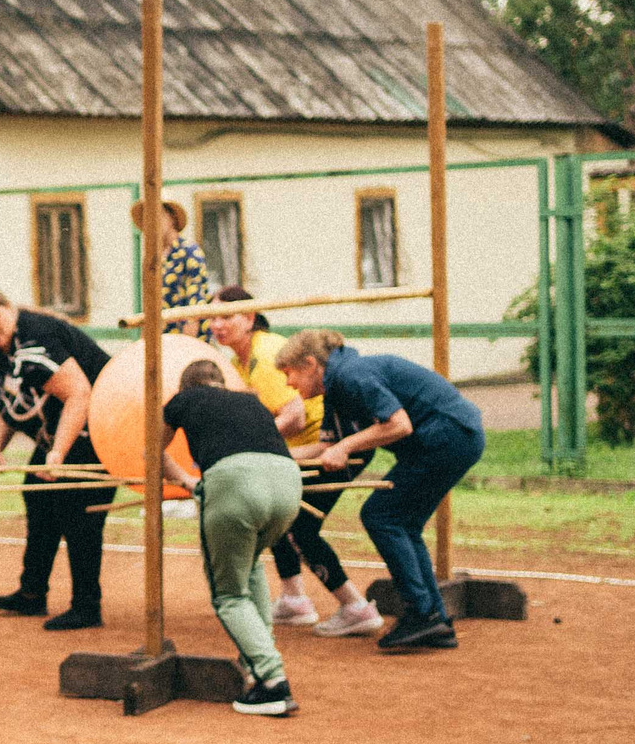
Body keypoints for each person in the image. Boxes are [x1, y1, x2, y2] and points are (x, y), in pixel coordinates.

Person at [272, 330, 486, 652]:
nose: (288, 383)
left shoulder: (351, 375)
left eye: (289, 373)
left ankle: (423, 614)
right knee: (401, 522)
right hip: (452, 437)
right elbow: (327, 446)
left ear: (311, 364)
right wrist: (272, 458)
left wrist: (345, 446)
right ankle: (434, 619)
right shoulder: (337, 386)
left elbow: (399, 424)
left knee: (382, 515)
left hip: (449, 436)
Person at [208, 289, 381, 639]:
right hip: (304, 449)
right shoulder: (240, 359)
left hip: (329, 444)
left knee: (298, 526)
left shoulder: (265, 353)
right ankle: (294, 599)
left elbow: (295, 415)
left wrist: (253, 446)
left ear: (250, 318)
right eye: (211, 317)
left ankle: (354, 606)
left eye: (227, 316)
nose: (217, 324)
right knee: (274, 514)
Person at [0, 281, 115, 631]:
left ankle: (86, 605)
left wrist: (58, 453)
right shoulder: (1, 352)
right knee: (39, 498)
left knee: (80, 512)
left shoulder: (36, 340)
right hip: (60, 434)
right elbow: (5, 400)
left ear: (9, 308)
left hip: (99, 429)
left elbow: (79, 393)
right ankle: (32, 593)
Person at [162, 358, 302, 716]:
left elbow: (152, 450)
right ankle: (255, 661)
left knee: (227, 595)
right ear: (222, 382)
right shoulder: (250, 400)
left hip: (235, 484)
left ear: (186, 386)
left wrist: (185, 480)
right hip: (288, 484)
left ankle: (273, 682)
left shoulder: (183, 400)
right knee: (249, 563)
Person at [133, 198, 221, 345]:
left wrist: (185, 347)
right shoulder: (152, 260)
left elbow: (195, 307)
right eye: (147, 219)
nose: (153, 223)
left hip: (187, 342)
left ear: (171, 218)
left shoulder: (189, 252)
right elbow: (149, 307)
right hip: (160, 342)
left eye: (158, 216)